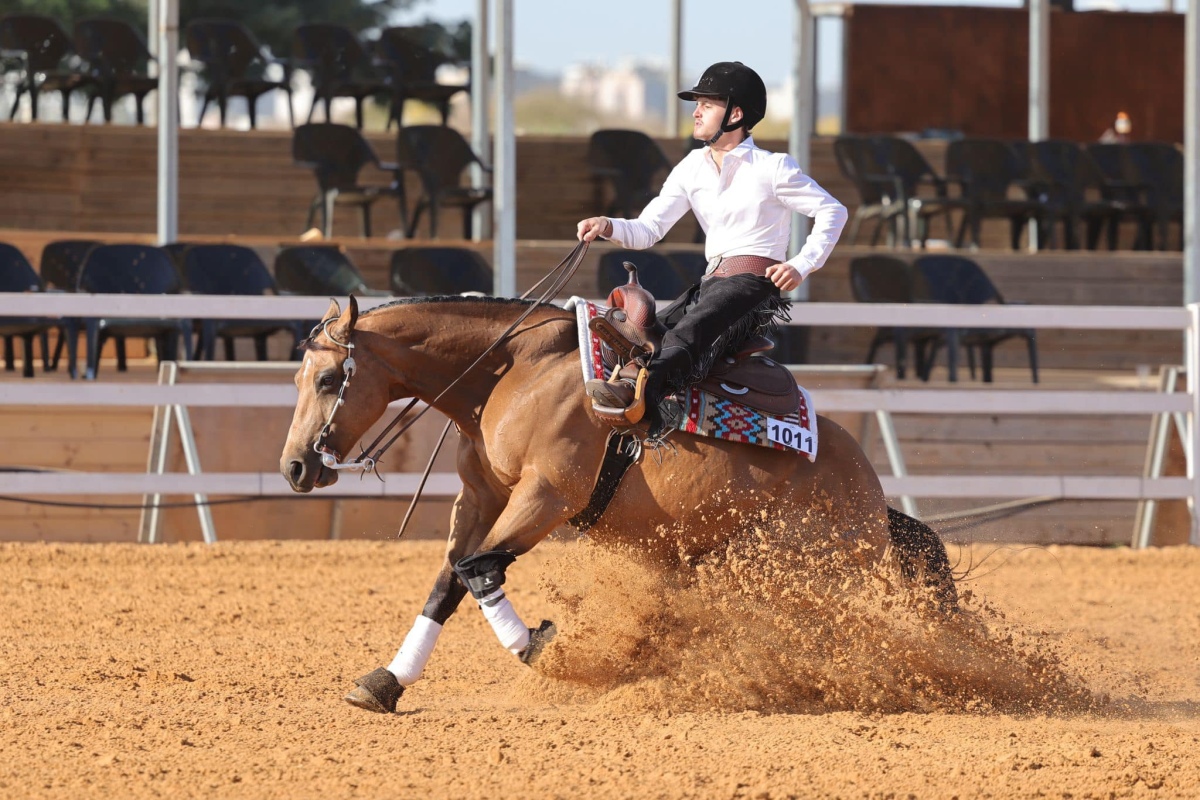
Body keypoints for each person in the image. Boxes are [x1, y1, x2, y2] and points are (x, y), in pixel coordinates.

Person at [578, 61, 847, 437]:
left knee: (687, 333)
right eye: (697, 103)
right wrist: (608, 226)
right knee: (644, 330)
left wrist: (802, 264)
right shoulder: (691, 167)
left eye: (707, 104)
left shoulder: (774, 167)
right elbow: (649, 229)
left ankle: (638, 401)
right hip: (711, 283)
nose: (696, 111)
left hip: (753, 284)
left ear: (735, 114)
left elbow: (833, 210)